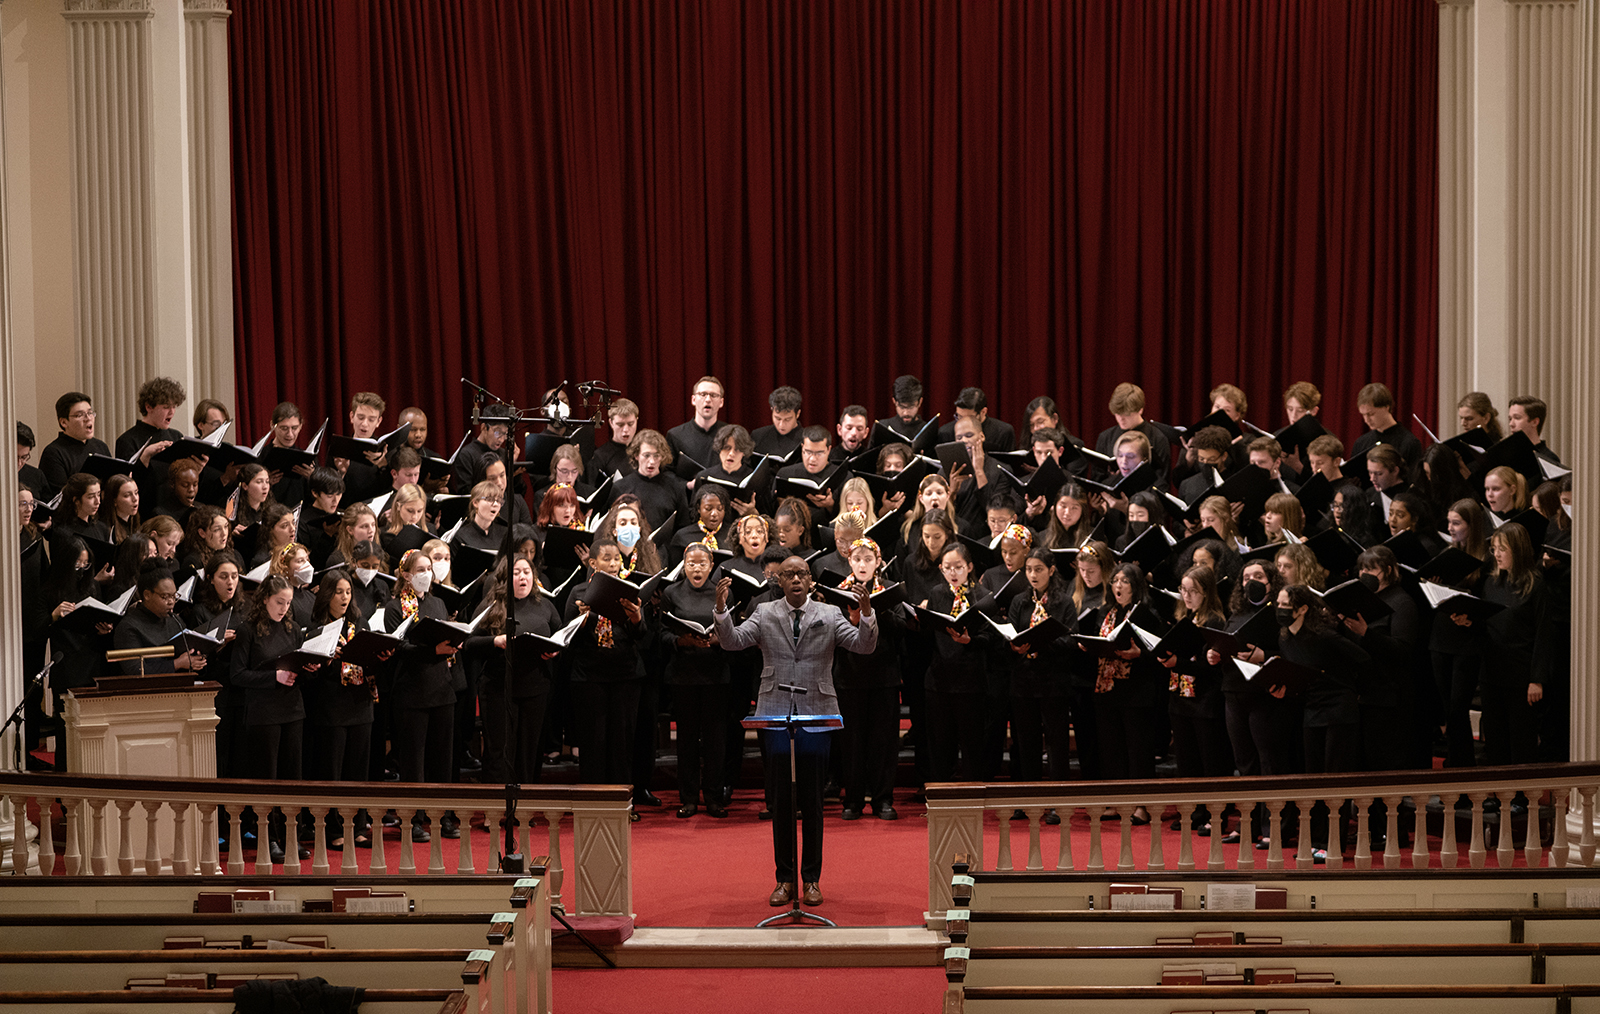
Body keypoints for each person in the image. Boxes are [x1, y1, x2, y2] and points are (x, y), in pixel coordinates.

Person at [712, 554, 877, 908]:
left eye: (802, 573)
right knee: (782, 802)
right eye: (789, 575)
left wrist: (866, 614)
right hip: (774, 712)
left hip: (817, 712)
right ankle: (784, 879)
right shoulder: (765, 612)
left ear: (811, 581)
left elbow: (864, 645)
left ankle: (812, 879)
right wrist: (722, 611)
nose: (797, 579)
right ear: (780, 582)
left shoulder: (830, 614)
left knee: (813, 802)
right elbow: (732, 641)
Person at [465, 555, 561, 787]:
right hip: (499, 689)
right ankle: (497, 806)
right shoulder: (490, 607)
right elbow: (468, 644)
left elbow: (560, 636)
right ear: (505, 579)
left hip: (535, 688)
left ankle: (525, 802)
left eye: (527, 572)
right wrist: (495, 641)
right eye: (516, 573)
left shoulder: (545, 605)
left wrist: (555, 651)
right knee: (499, 749)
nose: (522, 577)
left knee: (530, 750)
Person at [832, 534, 904, 820]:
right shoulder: (839, 592)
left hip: (884, 676)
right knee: (851, 742)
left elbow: (901, 629)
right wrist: (851, 618)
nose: (862, 564)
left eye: (868, 559)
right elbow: (830, 633)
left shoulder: (889, 591)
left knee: (883, 741)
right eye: (857, 559)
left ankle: (882, 798)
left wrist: (873, 612)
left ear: (878, 563)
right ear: (849, 561)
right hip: (849, 677)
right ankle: (852, 800)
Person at [658, 542, 730, 818]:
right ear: (684, 565)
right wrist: (681, 640)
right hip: (683, 675)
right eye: (691, 563)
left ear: (711, 565)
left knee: (715, 740)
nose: (697, 568)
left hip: (715, 675)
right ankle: (688, 798)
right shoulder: (672, 592)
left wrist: (718, 639)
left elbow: (734, 628)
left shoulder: (722, 592)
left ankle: (713, 798)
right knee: (686, 740)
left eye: (702, 563)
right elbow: (662, 633)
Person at [1094, 383, 1172, 485]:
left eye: (1127, 414)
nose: (1121, 419)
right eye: (1117, 414)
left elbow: (1162, 481)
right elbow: (1097, 477)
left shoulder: (1158, 438)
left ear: (1140, 410)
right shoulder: (1105, 437)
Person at [39, 392, 112, 498]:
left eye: (90, 413)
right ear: (64, 422)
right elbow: (60, 496)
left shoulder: (100, 446)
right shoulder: (54, 453)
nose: (88, 418)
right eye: (80, 415)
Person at [1351, 383, 1423, 477]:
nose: (1366, 420)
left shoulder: (1409, 443)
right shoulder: (1361, 443)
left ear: (1386, 407)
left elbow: (1414, 481)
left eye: (1371, 414)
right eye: (1363, 415)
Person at [937, 386, 1016, 452]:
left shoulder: (1003, 432)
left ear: (983, 412)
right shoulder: (945, 433)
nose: (963, 422)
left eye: (969, 417)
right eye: (959, 417)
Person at [751, 386, 804, 458]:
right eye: (778, 418)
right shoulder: (758, 436)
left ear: (798, 414)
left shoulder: (806, 440)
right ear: (772, 410)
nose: (781, 425)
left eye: (787, 419)